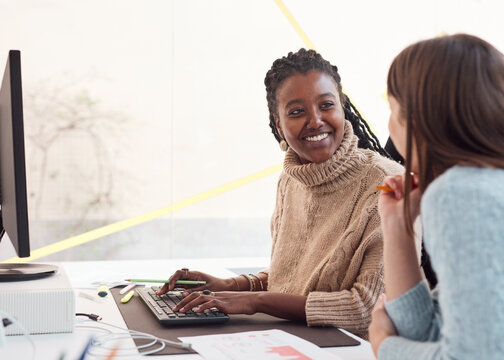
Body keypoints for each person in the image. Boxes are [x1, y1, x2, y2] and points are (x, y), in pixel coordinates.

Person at [156, 48, 403, 338]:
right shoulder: (290, 180)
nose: (315, 121)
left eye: (326, 105)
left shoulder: (387, 183)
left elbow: (366, 309)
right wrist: (229, 286)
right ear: (278, 124)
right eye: (297, 112)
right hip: (296, 340)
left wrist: (253, 301)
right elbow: (294, 279)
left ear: (342, 107)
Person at [368, 34, 504, 359]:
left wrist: (384, 347)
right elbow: (433, 332)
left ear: (415, 119)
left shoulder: (463, 195)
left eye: (392, 109)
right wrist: (397, 228)